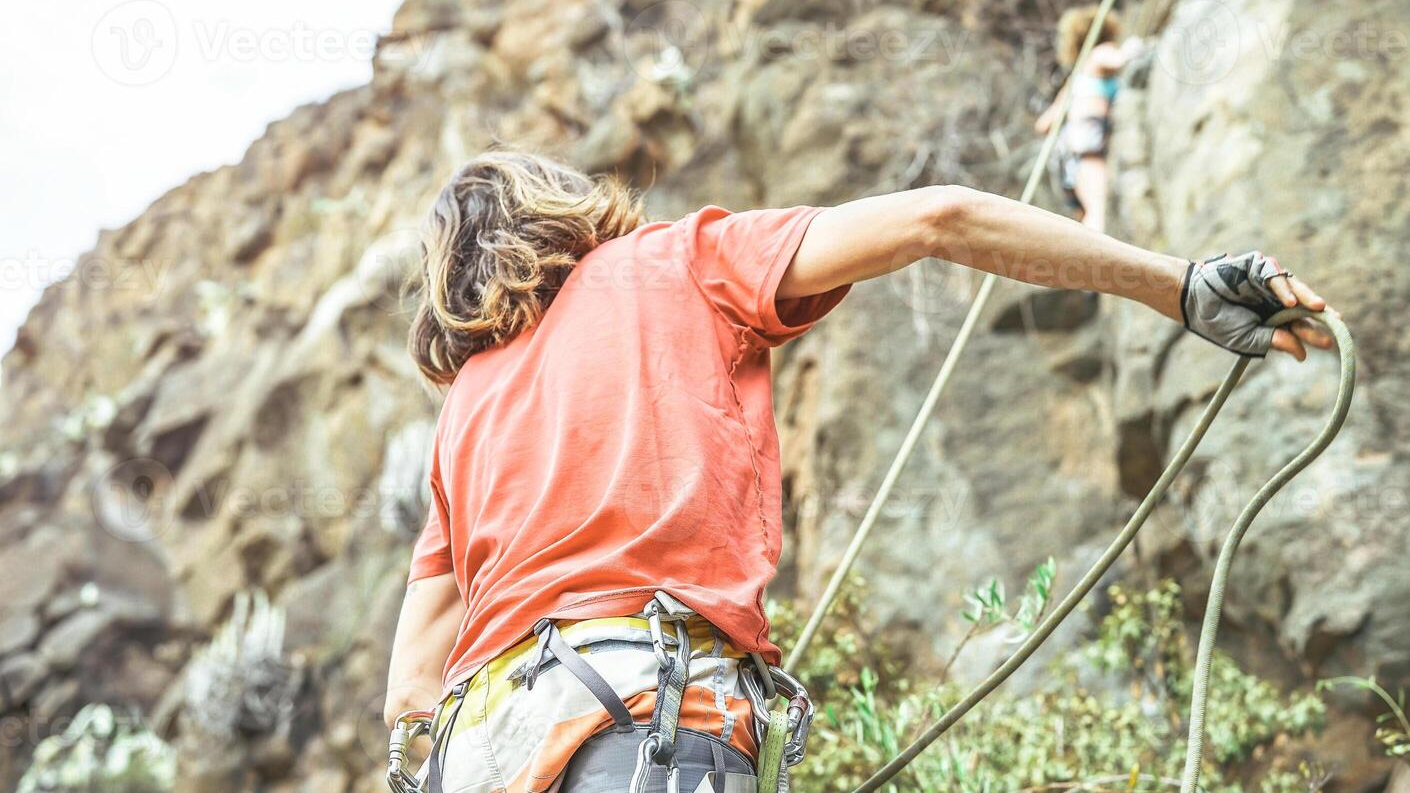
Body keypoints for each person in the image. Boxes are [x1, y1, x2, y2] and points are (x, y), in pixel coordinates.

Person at [383, 151, 1331, 792]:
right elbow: (940, 217)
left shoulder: (467, 407)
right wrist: (1176, 284)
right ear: (564, 205)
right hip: (644, 721)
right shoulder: (675, 261)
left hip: (485, 754)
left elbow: (410, 694)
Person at [1035, 6, 1145, 233]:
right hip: (1090, 137)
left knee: (1087, 215)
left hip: (1070, 148)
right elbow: (1120, 59)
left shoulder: (1077, 76)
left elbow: (1044, 123)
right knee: (1098, 211)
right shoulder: (1100, 53)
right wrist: (1134, 46)